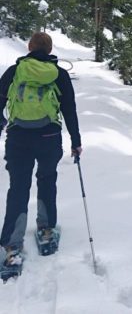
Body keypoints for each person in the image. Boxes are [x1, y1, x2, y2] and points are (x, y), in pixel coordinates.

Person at [0, 32, 82, 267]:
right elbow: (69, 109)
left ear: (29, 46)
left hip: (18, 138)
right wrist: (76, 141)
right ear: (49, 49)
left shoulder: (15, 71)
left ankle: (11, 245)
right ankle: (46, 231)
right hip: (49, 136)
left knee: (18, 187)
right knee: (46, 180)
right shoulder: (59, 75)